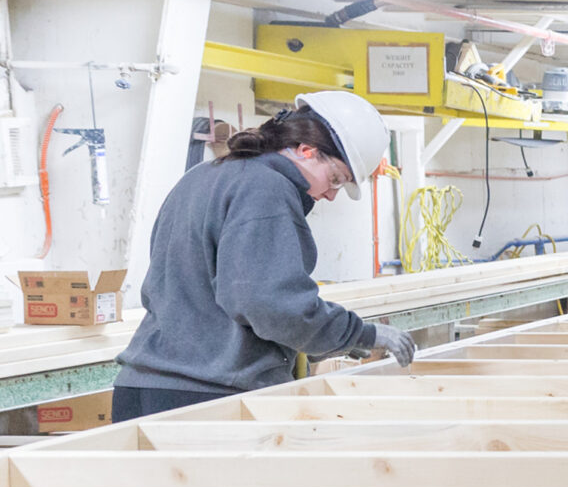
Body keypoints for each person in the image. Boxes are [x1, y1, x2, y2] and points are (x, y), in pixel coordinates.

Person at [112, 90, 414, 422]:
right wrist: (359, 333)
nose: (330, 195)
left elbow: (202, 293)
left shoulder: (201, 176)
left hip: (141, 389)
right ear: (306, 150)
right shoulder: (267, 189)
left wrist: (323, 340)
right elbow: (270, 303)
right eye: (335, 179)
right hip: (210, 399)